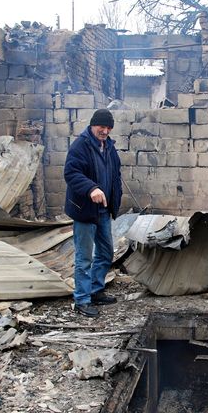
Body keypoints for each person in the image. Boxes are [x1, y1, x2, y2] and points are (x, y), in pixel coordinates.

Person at [64, 108, 123, 317]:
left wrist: (115, 196)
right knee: (84, 258)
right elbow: (71, 173)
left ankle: (96, 290)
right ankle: (81, 300)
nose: (105, 131)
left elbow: (115, 173)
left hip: (103, 211)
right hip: (85, 211)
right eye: (102, 126)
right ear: (92, 125)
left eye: (108, 127)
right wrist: (91, 188)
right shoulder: (81, 145)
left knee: (106, 252)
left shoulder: (109, 147)